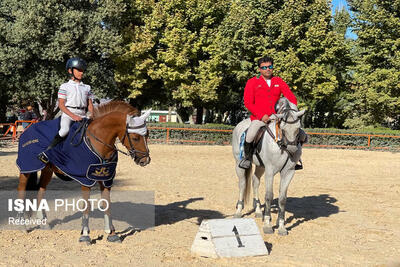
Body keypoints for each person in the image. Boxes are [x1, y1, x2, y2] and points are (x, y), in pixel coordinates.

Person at [239, 56, 300, 169]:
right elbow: (248, 103)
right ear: (259, 69)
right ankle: (247, 159)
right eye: (264, 67)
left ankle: (295, 159)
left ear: (272, 67)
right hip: (259, 118)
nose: (267, 69)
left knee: (299, 134)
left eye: (270, 67)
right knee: (250, 135)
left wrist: (292, 110)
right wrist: (261, 116)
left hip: (277, 116)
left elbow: (291, 97)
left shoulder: (278, 81)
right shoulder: (252, 82)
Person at [38, 57, 94, 163]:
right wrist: (73, 116)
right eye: (79, 70)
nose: (81, 73)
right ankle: (47, 153)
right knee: (64, 131)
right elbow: (61, 105)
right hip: (68, 114)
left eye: (82, 70)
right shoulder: (65, 86)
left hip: (82, 114)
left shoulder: (87, 87)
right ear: (70, 71)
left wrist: (92, 114)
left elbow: (90, 105)